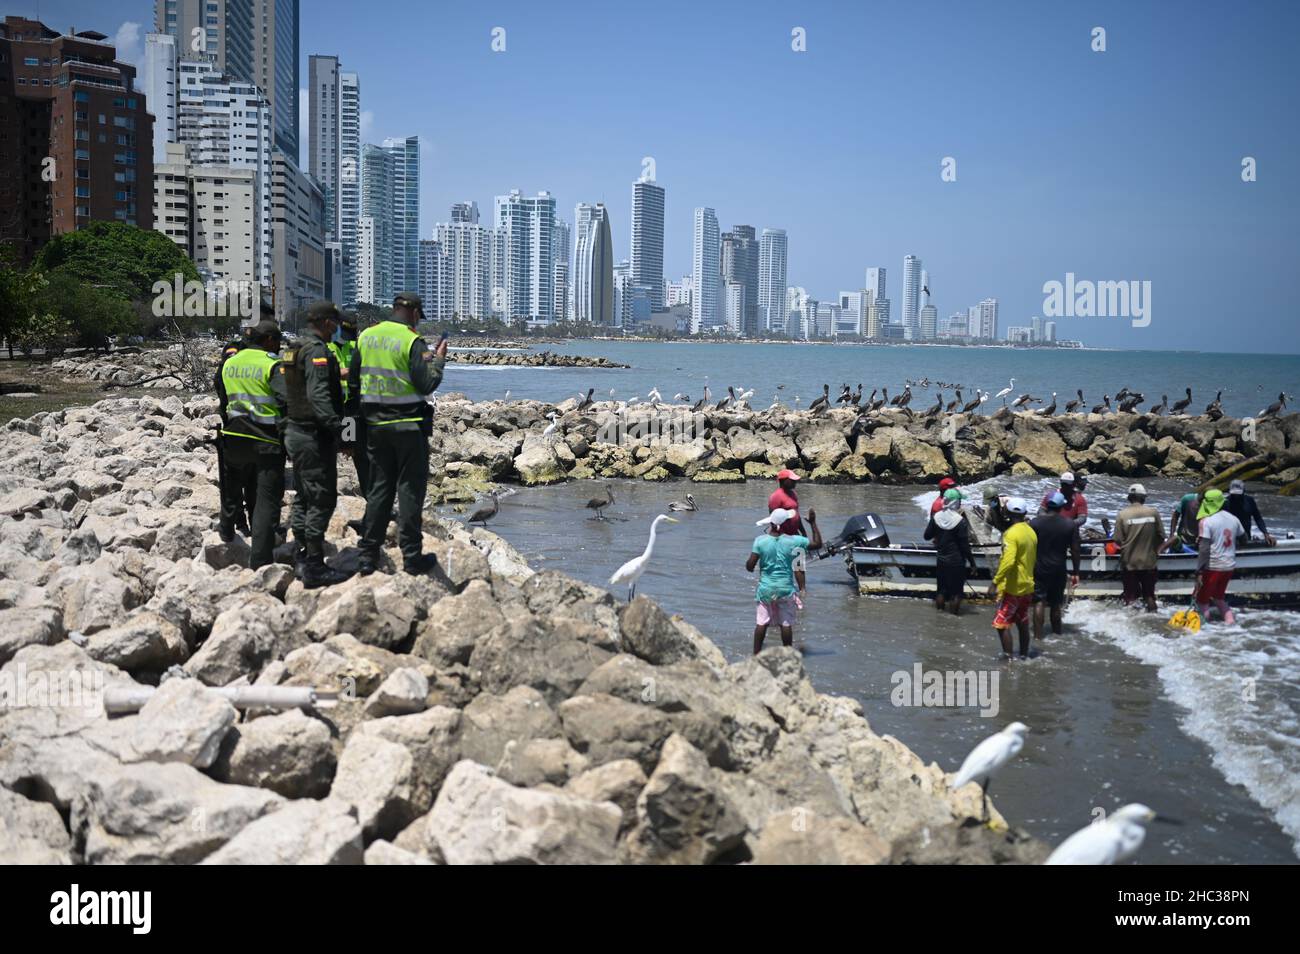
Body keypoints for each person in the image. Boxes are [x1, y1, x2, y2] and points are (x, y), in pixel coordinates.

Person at [352, 292, 447, 575]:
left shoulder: (366, 336)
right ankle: (411, 557)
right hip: (408, 426)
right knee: (409, 491)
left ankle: (368, 554)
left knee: (380, 489)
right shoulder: (411, 340)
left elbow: (355, 379)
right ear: (415, 314)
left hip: (375, 427)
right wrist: (439, 360)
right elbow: (426, 383)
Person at [281, 301, 351, 588]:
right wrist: (340, 430)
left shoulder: (293, 348)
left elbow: (286, 388)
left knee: (303, 494)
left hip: (294, 430)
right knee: (322, 498)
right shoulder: (318, 352)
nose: (336, 328)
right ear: (324, 322)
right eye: (334, 323)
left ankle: (299, 552)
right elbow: (319, 396)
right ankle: (313, 564)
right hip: (313, 435)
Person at [214, 320, 286, 569]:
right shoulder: (271, 364)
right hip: (266, 440)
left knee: (231, 485)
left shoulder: (230, 363)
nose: (279, 347)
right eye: (277, 341)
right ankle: (261, 561)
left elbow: (223, 400)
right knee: (266, 499)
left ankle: (225, 529)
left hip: (234, 436)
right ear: (268, 340)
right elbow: (285, 400)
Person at [747, 506, 822, 654]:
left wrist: (757, 561)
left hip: (765, 589)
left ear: (771, 524)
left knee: (761, 623)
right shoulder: (794, 541)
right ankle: (788, 655)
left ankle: (755, 655)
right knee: (785, 624)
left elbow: (749, 566)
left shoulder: (760, 541)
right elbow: (818, 544)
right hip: (785, 589)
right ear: (784, 525)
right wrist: (812, 523)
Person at [214, 327, 252, 541]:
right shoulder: (236, 360)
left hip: (233, 427)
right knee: (237, 482)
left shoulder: (228, 364)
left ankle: (238, 523)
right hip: (239, 426)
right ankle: (238, 522)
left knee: (236, 481)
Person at [987, 497, 1037, 658]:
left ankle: (1008, 659)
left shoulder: (1011, 534)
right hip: (1028, 585)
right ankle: (1023, 655)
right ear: (1025, 513)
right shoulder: (1031, 532)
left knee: (1001, 624)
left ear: (1007, 513)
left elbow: (1008, 561)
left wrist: (995, 582)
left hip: (1013, 586)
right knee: (1022, 621)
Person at [329, 312, 369, 512]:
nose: (348, 335)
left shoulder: (357, 348)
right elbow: (326, 374)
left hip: (353, 409)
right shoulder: (326, 349)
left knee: (360, 455)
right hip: (333, 411)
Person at [1029, 492, 1081, 642]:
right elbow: (1075, 549)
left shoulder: (1035, 523)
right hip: (1059, 568)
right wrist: (1076, 572)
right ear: (1062, 506)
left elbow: (1029, 546)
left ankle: (1038, 637)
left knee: (1039, 601)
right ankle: (1057, 635)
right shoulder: (1069, 524)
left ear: (1047, 505)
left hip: (1039, 568)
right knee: (1056, 604)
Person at [924, 488, 979, 614]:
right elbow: (964, 546)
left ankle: (940, 616)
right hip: (957, 561)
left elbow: (927, 536)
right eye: (959, 501)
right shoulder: (960, 521)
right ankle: (954, 618)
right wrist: (973, 563)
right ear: (955, 503)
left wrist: (939, 533)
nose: (960, 503)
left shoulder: (936, 517)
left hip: (941, 560)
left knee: (941, 591)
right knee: (957, 594)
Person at [1112, 483, 1165, 611]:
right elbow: (1162, 536)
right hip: (1149, 562)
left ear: (1129, 498)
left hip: (1130, 563)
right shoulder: (1153, 513)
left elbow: (1117, 541)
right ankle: (1153, 621)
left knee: (1130, 598)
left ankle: (1132, 625)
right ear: (1143, 498)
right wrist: (1154, 550)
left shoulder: (1122, 515)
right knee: (1149, 596)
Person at [1196, 488, 1244, 624]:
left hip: (1213, 566)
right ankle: (1231, 625)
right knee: (1218, 598)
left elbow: (1204, 549)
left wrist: (1199, 571)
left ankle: (1204, 630)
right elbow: (1244, 539)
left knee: (1202, 601)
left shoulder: (1206, 521)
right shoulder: (1234, 519)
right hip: (1229, 566)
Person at [1225, 479, 1276, 546]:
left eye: (1238, 494)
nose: (1236, 496)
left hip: (1246, 536)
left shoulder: (1249, 501)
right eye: (1234, 494)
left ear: (1243, 491)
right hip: (1229, 537)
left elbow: (1258, 518)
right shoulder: (1226, 502)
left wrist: (1266, 533)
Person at [768, 469, 806, 535]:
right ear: (784, 481)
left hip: (794, 533)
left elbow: (797, 515)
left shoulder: (793, 494)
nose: (795, 482)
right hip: (782, 535)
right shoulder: (776, 496)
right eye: (792, 480)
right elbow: (773, 520)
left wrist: (803, 532)